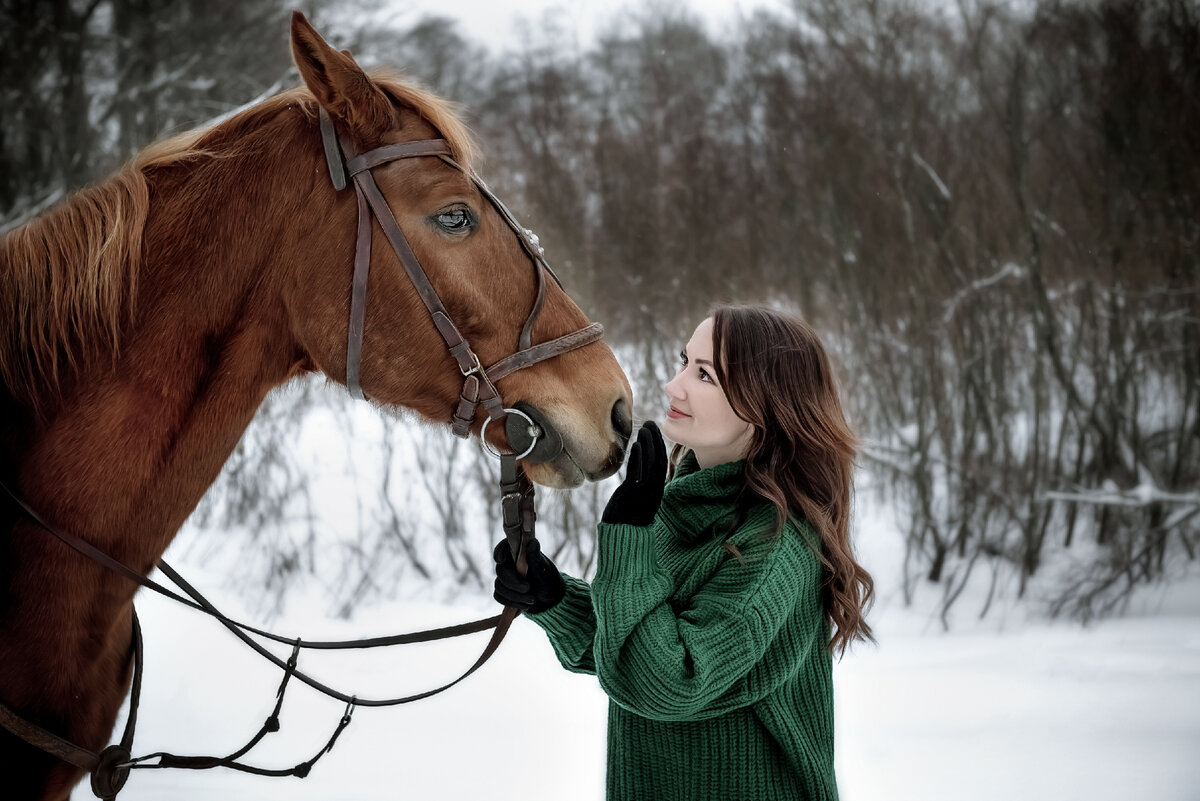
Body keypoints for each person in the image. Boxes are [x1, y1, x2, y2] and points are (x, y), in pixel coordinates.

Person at [494, 304, 874, 801]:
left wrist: (628, 534)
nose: (674, 386)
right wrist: (556, 600)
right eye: (684, 362)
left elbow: (669, 681)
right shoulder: (684, 505)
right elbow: (632, 656)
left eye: (704, 375)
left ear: (764, 406)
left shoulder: (775, 546)